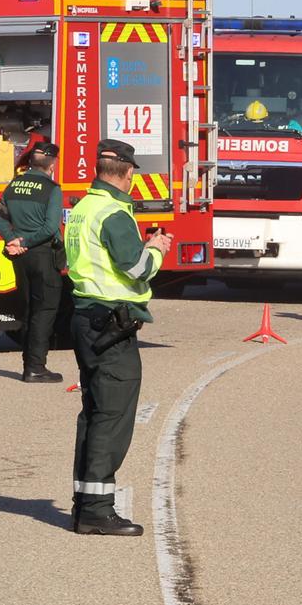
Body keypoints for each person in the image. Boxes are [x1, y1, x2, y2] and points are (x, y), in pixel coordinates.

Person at [63, 139, 174, 537]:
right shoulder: (114, 212)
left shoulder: (82, 209)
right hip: (111, 324)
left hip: (85, 318)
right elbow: (136, 268)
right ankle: (96, 510)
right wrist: (156, 249)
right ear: (127, 173)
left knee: (94, 412)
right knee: (112, 415)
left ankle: (85, 503)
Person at [0, 140, 65, 383]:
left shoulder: (14, 185)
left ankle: (30, 364)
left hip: (20, 257)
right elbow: (50, 228)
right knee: (44, 311)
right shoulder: (52, 189)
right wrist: (25, 242)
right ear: (52, 164)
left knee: (29, 309)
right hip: (42, 254)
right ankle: (35, 367)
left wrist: (13, 240)